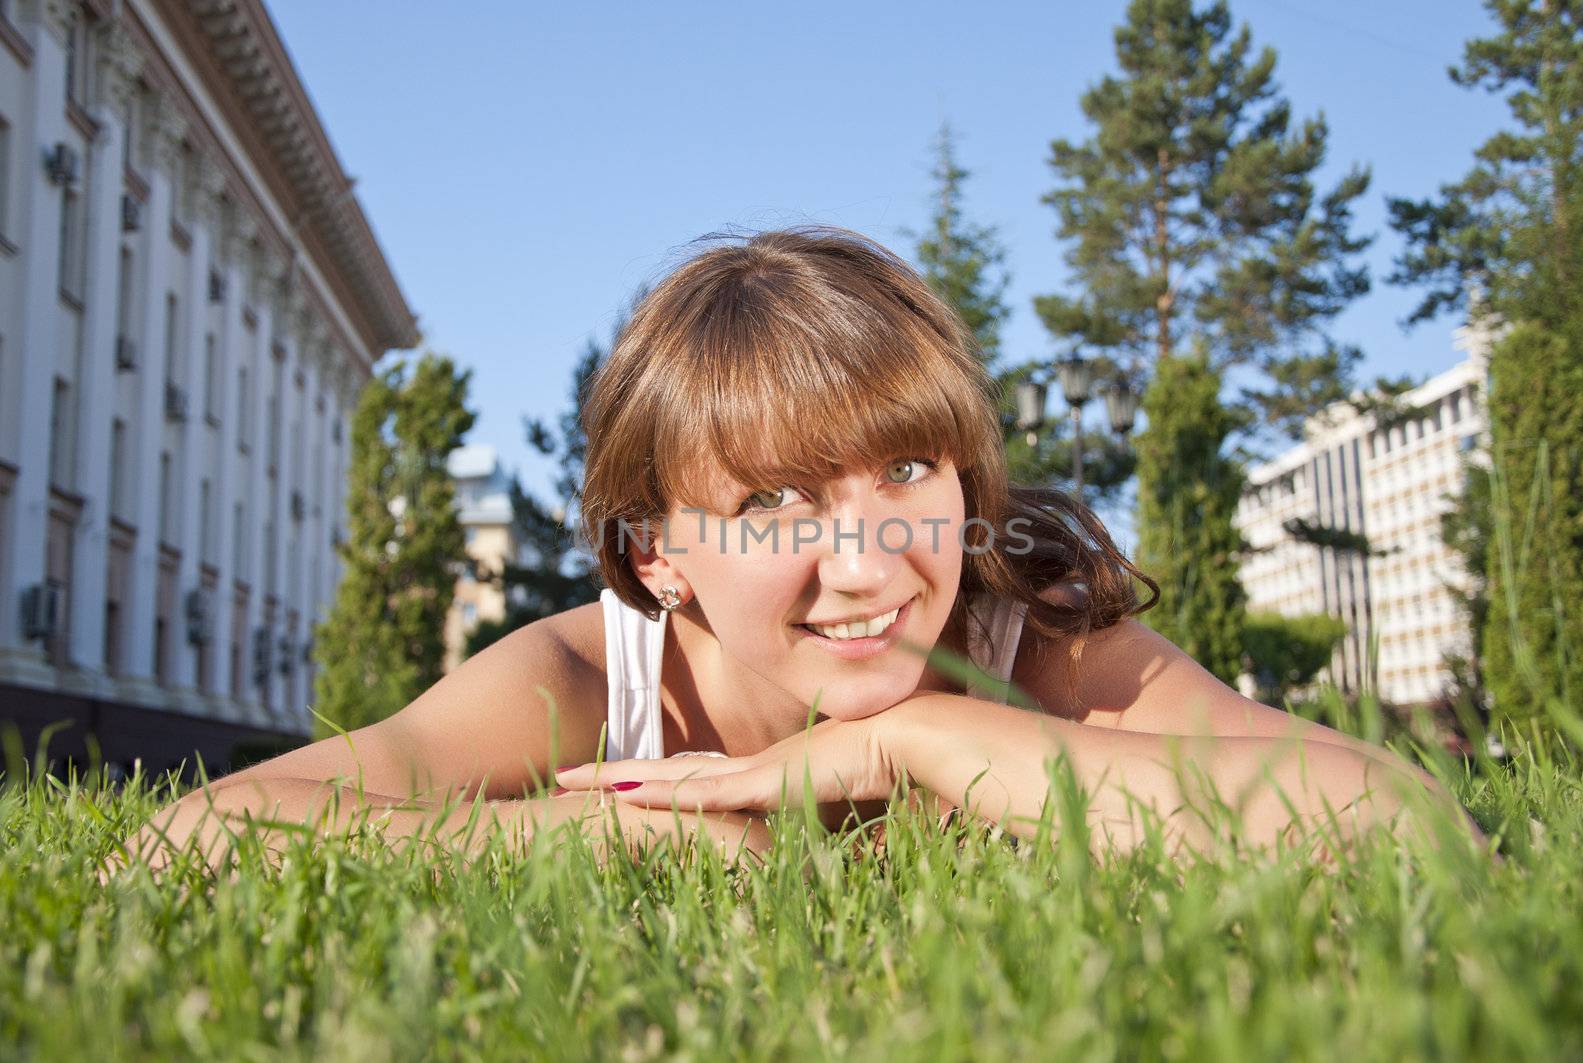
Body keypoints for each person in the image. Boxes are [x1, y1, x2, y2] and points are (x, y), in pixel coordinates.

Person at [110, 226, 1473, 875]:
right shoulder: (592, 680)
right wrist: (668, 834)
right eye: (774, 508)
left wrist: (920, 748)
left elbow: (1409, 829)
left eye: (906, 470)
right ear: (656, 553)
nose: (872, 561)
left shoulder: (1028, 637)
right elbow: (180, 846)